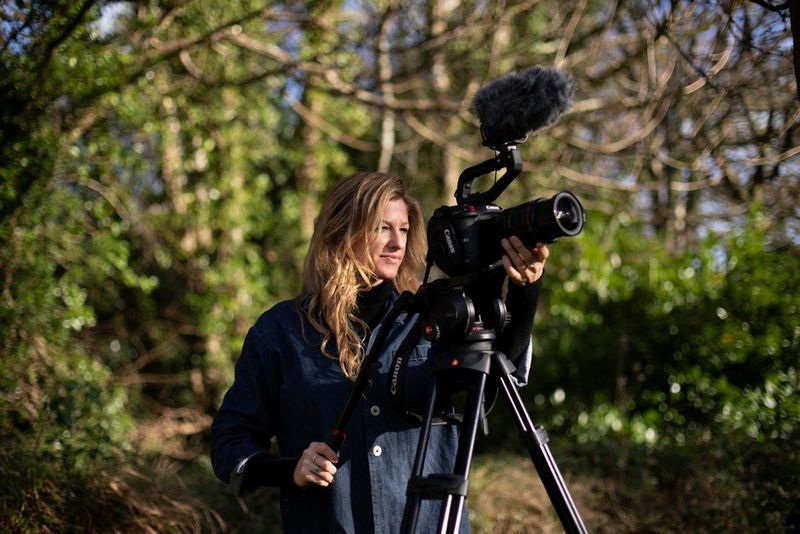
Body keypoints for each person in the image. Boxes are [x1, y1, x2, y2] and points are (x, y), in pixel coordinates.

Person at [210, 171, 549, 533]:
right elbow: (230, 441)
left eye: (403, 230)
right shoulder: (279, 332)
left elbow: (497, 382)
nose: (396, 243)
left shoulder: (432, 320)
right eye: (381, 228)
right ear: (343, 231)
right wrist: (291, 469)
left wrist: (526, 292)